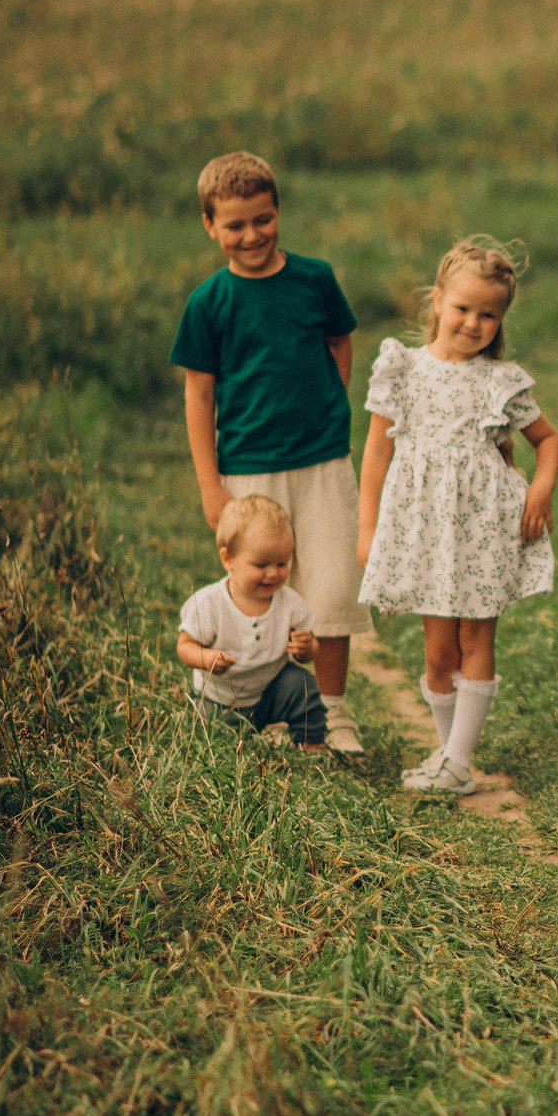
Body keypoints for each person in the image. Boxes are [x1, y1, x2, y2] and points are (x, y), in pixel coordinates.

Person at [170, 151, 371, 754]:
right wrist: (211, 485)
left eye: (263, 219)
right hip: (248, 470)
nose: (252, 235)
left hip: (322, 461)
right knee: (260, 590)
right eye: (235, 225)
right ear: (210, 226)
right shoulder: (209, 302)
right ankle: (263, 706)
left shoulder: (315, 279)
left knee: (330, 589)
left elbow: (340, 342)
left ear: (278, 211)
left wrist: (330, 404)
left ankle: (331, 712)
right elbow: (199, 395)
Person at [356, 237, 558, 793]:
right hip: (427, 529)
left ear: (500, 320)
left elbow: (548, 441)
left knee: (475, 635)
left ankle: (459, 764)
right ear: (438, 301)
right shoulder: (403, 370)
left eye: (488, 315)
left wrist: (540, 491)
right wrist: (368, 527)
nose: (473, 323)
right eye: (463, 308)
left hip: (484, 526)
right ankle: (448, 754)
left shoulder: (500, 381)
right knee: (437, 651)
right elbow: (376, 451)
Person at [179, 495, 328, 748]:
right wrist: (205, 658)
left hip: (271, 690)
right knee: (220, 741)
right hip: (221, 700)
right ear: (228, 559)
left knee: (302, 685)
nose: (273, 573)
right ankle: (236, 739)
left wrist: (307, 648)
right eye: (261, 565)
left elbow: (312, 648)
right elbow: (184, 646)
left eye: (282, 563)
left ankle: (312, 743)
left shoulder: (289, 602)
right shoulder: (209, 603)